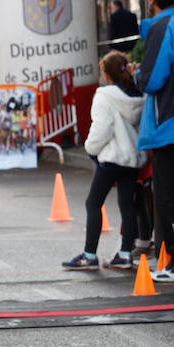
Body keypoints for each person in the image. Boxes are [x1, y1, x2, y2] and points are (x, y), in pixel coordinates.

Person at [62, 51, 145, 271]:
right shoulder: (137, 96)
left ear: (106, 74)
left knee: (93, 203)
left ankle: (89, 255)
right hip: (132, 158)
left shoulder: (104, 96)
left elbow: (102, 128)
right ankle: (125, 254)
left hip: (110, 157)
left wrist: (91, 149)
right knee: (127, 205)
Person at [135, 0, 174, 282]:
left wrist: (137, 73)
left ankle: (171, 261)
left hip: (168, 126)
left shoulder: (163, 26)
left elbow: (151, 80)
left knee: (167, 197)